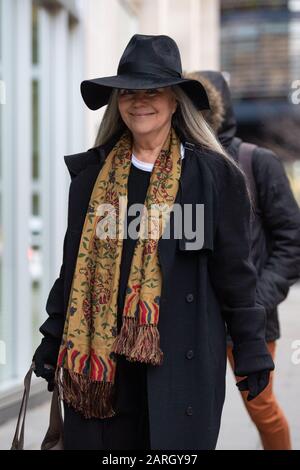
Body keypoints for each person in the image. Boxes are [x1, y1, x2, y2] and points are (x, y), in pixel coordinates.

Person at [32, 34, 274, 451]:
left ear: (176, 99)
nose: (139, 100)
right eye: (127, 91)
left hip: (183, 365)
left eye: (153, 90)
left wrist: (252, 350)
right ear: (117, 101)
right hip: (102, 369)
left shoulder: (214, 177)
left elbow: (236, 275)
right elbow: (72, 269)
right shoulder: (92, 178)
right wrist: (52, 337)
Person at [187, 70, 300, 450]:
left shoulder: (257, 161)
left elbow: (292, 241)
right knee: (187, 414)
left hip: (250, 319)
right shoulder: (179, 164)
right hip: (192, 321)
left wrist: (258, 300)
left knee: (263, 408)